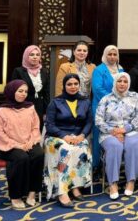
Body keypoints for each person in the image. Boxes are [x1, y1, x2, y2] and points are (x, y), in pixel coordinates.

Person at [0, 80, 44, 209]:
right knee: (21, 158)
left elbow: (36, 128)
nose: (23, 94)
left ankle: (32, 192)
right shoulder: (1, 111)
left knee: (39, 154)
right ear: (11, 92)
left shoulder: (30, 107)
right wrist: (18, 145)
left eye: (26, 91)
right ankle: (15, 196)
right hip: (8, 146)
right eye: (20, 91)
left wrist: (31, 142)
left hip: (28, 143)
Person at [44, 74, 92, 207]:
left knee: (82, 147)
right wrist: (64, 136)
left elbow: (89, 122)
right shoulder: (55, 102)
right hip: (56, 137)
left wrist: (82, 135)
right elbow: (49, 124)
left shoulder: (85, 101)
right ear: (64, 86)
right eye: (69, 84)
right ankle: (62, 191)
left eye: (76, 84)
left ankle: (75, 186)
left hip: (77, 137)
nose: (73, 87)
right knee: (66, 150)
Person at [95, 72, 138, 199]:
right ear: (115, 82)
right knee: (114, 146)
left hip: (131, 130)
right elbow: (98, 120)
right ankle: (112, 183)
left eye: (125, 81)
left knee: (133, 145)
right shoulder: (105, 99)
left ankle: (131, 181)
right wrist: (114, 131)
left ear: (128, 83)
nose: (122, 84)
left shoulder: (135, 96)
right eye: (119, 81)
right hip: (109, 133)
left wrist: (124, 129)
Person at [91, 45, 124, 168]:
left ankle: (111, 165)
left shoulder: (121, 70)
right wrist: (113, 99)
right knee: (99, 134)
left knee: (115, 133)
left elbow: (124, 87)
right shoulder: (99, 70)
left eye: (115, 54)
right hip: (100, 107)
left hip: (118, 108)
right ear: (105, 55)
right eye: (109, 54)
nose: (112, 57)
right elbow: (97, 89)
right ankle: (96, 165)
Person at [11, 45, 50, 130]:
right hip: (23, 106)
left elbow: (46, 92)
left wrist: (46, 111)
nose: (35, 57)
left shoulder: (44, 71)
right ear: (26, 56)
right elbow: (12, 91)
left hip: (39, 107)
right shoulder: (18, 71)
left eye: (37, 55)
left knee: (37, 132)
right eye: (31, 55)